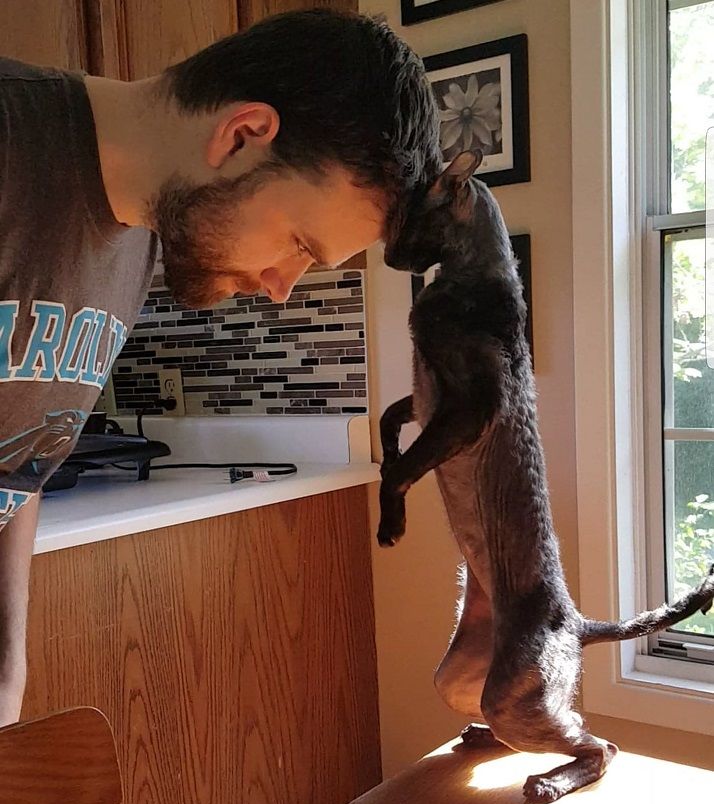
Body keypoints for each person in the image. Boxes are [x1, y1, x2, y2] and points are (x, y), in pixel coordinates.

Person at [0, 8, 440, 725]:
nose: (280, 285)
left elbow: (18, 464)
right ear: (242, 134)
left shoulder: (141, 238)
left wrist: (8, 670)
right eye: (299, 242)